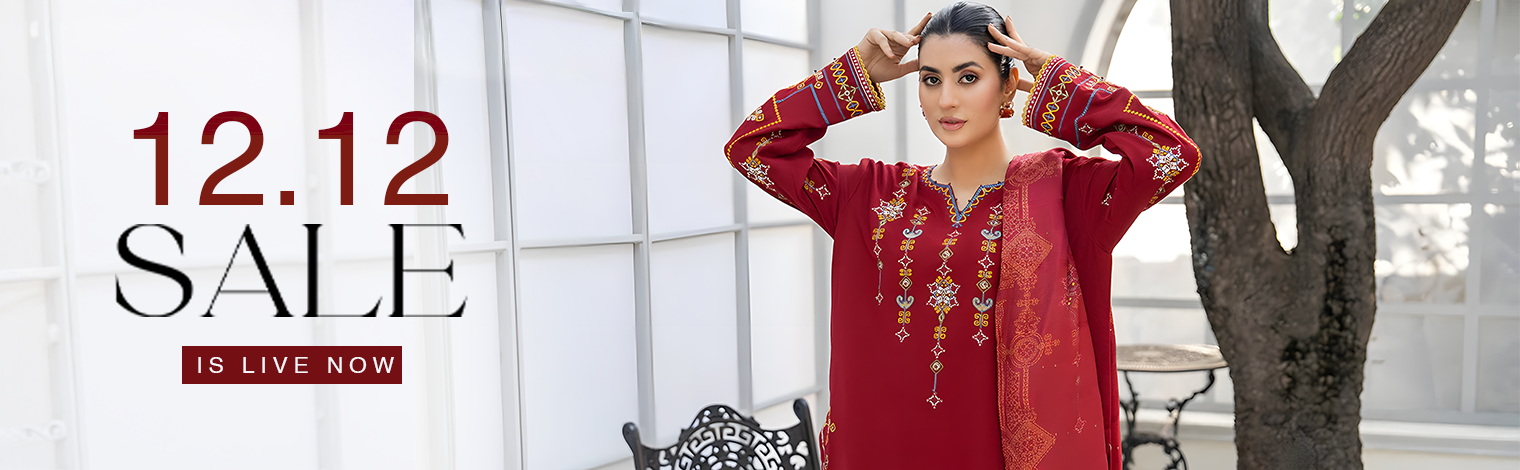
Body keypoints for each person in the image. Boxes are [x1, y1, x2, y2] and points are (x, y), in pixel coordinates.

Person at [723, 2, 1200, 468]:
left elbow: (1172, 154)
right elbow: (752, 148)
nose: (946, 99)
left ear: (1008, 84)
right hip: (882, 452)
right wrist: (852, 75)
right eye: (931, 79)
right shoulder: (868, 195)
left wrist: (1058, 80)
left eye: (968, 78)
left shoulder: (1066, 194)